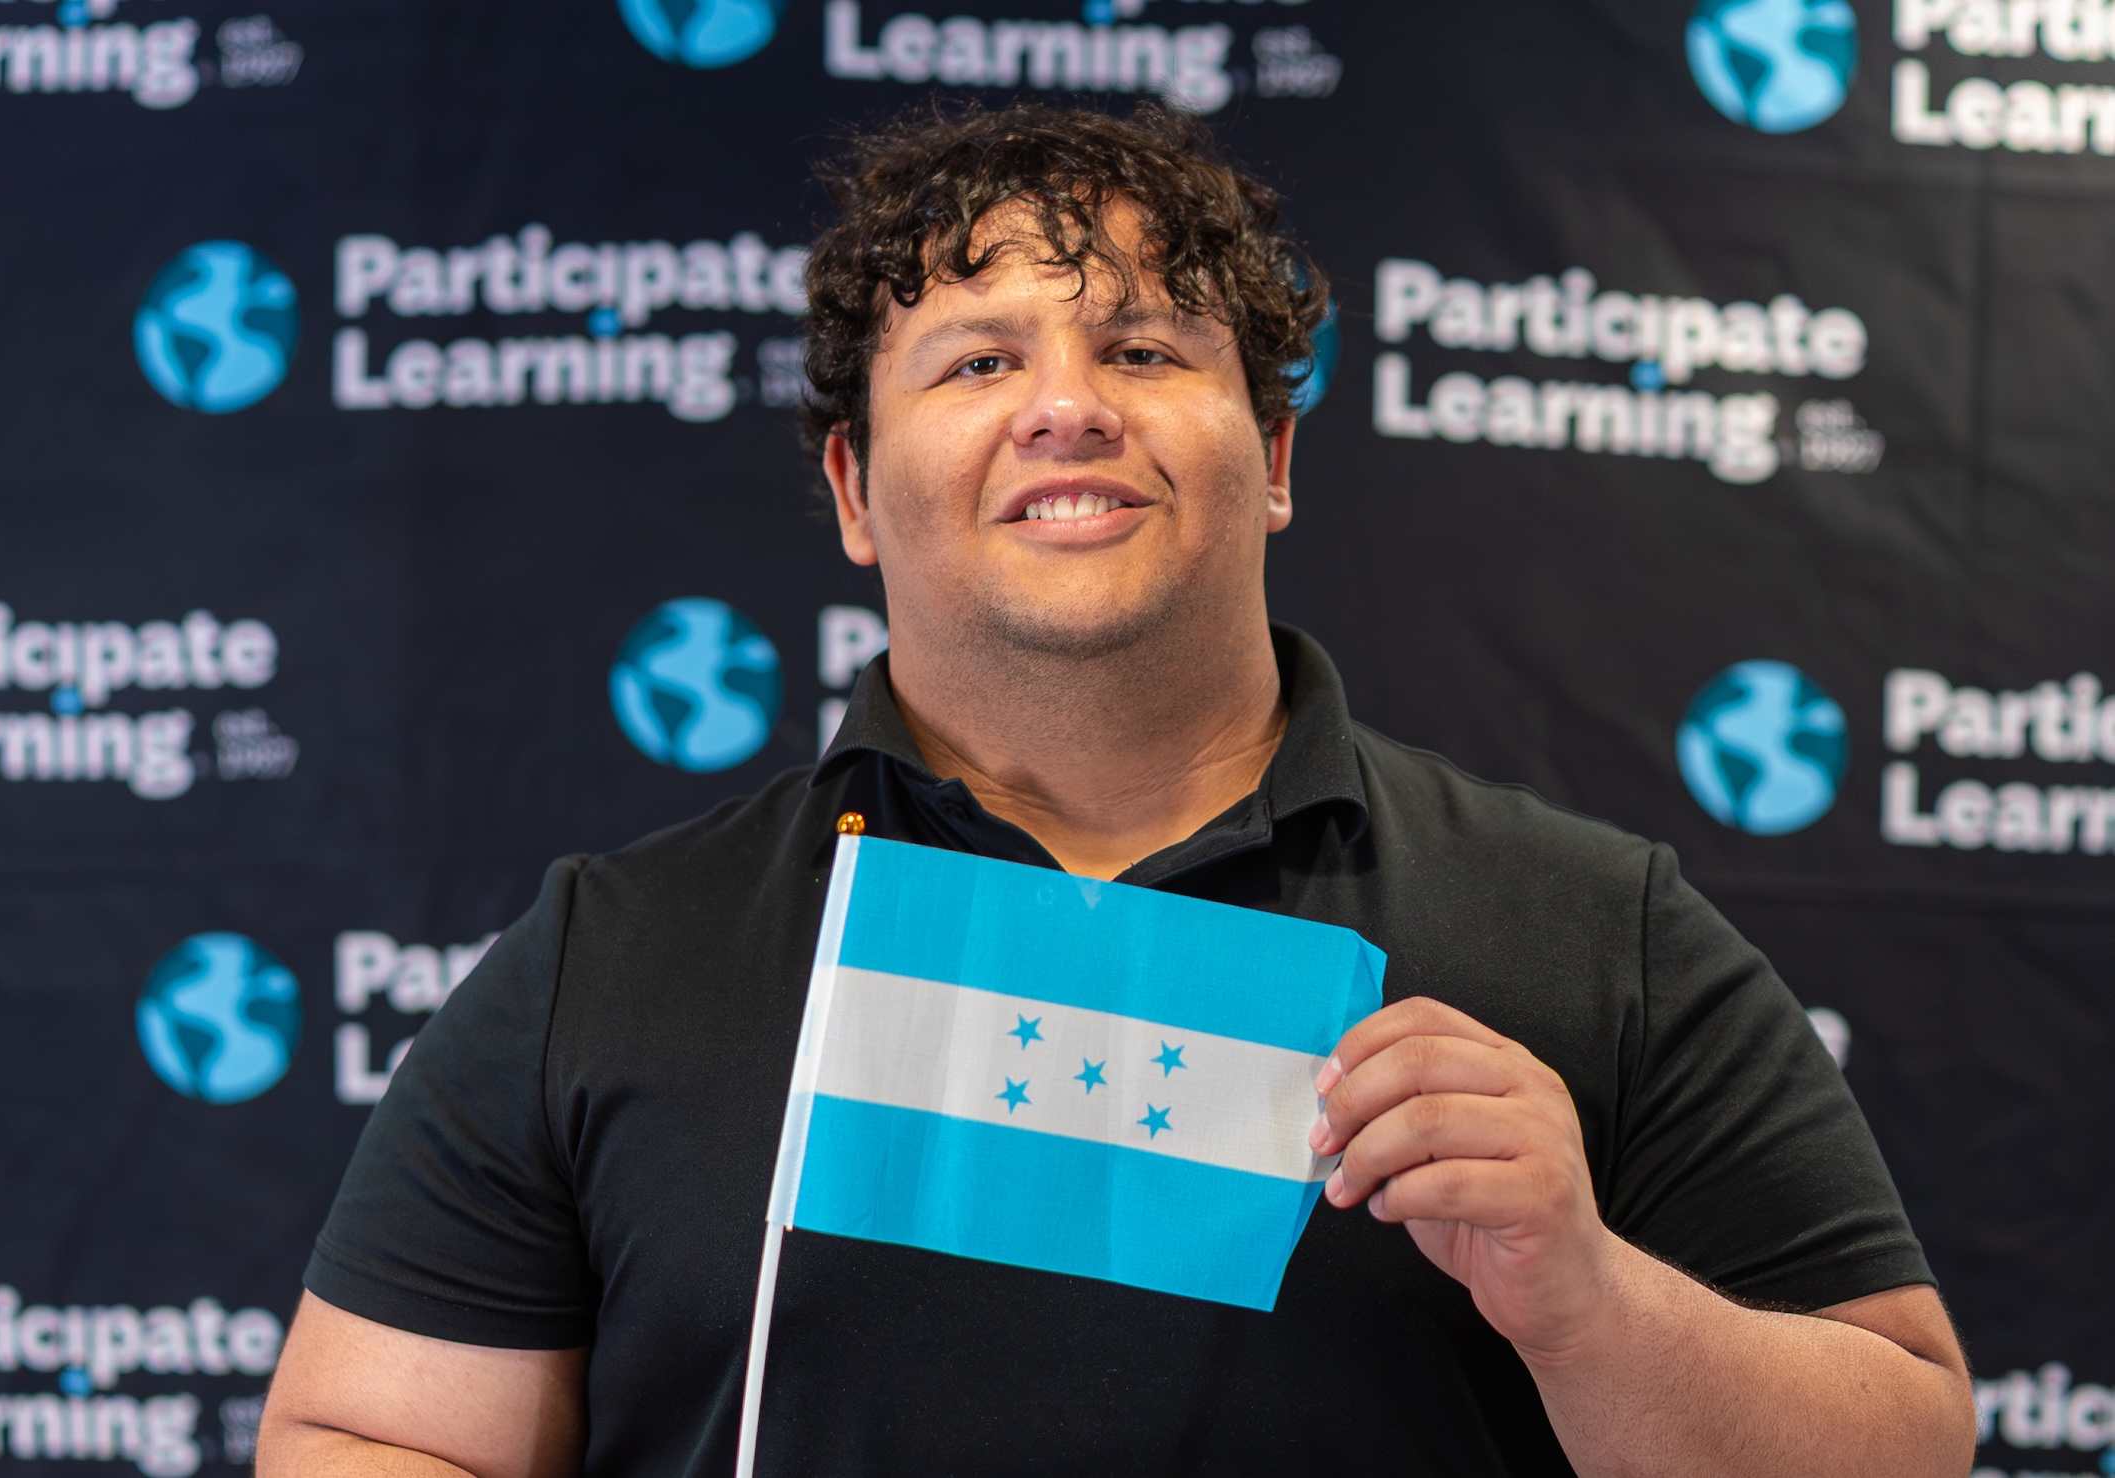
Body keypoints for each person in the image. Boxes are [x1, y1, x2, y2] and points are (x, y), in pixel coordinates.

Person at [260, 103, 1976, 1477]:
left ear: (1278, 455)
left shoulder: (1600, 935)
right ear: (856, 488)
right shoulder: (610, 952)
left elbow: (1901, 1443)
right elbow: (368, 1429)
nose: (1067, 409)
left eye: (1148, 351)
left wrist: (1590, 1300)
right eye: (979, 361)